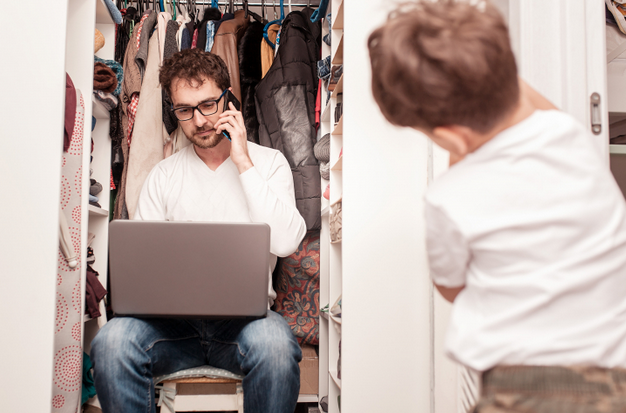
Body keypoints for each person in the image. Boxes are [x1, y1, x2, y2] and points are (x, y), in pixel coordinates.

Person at [369, 1, 626, 411]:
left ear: (451, 138)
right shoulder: (570, 135)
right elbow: (513, 91)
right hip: (614, 380)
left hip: (521, 386)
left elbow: (450, 286)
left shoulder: (449, 197)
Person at [91, 48, 307, 413]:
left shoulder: (269, 164)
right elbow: (140, 272)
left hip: (246, 327)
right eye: (185, 110)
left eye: (208, 105)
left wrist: (242, 161)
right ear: (173, 111)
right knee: (111, 342)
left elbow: (286, 242)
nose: (199, 120)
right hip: (170, 330)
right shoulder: (164, 174)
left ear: (229, 100)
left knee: (276, 346)